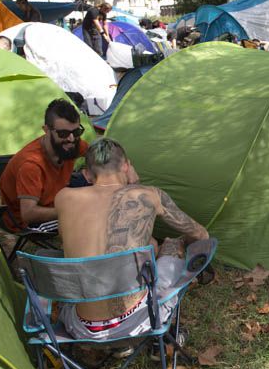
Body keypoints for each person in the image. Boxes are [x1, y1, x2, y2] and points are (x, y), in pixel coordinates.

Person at [54, 138, 210, 340]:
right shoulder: (150, 195)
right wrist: (135, 183)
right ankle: (160, 340)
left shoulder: (64, 198)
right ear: (126, 166)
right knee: (172, 245)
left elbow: (65, 239)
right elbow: (201, 234)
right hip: (139, 322)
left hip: (80, 328)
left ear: (86, 174)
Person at [0, 99, 89, 232]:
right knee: (89, 213)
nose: (71, 139)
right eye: (63, 133)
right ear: (46, 130)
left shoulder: (71, 143)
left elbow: (100, 152)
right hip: (27, 221)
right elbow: (29, 213)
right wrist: (69, 209)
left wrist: (122, 167)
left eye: (76, 132)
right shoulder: (31, 165)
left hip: (54, 197)